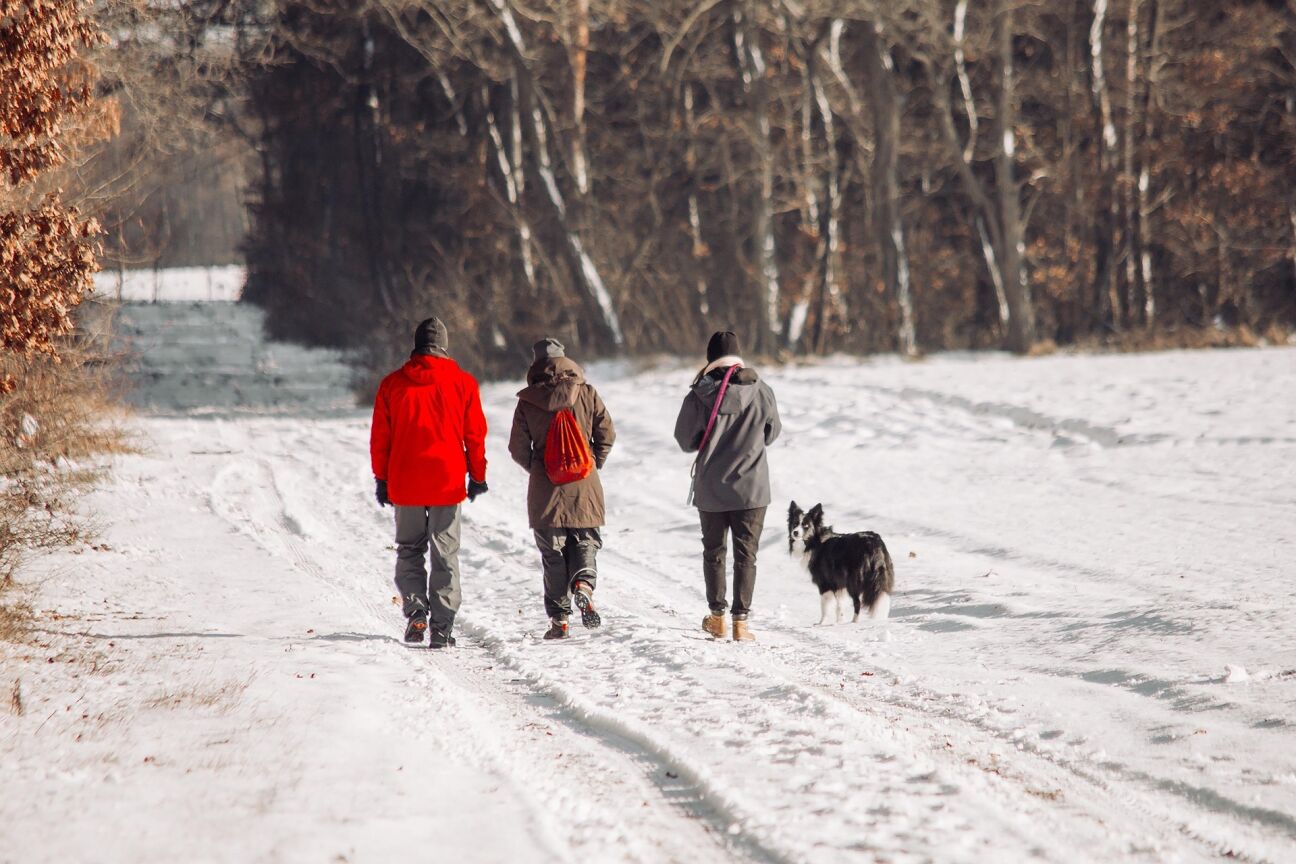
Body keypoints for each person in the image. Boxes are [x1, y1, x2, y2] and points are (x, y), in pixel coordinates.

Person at [370, 317, 488, 648]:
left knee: (410, 549)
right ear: (445, 346)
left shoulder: (392, 384)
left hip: (405, 481)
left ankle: (416, 610)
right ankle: (442, 626)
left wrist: (382, 478)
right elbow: (475, 436)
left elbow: (381, 438)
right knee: (445, 552)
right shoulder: (463, 383)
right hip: (447, 482)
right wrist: (477, 475)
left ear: (417, 345)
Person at [673, 330, 781, 642]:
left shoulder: (699, 394)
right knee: (747, 555)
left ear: (710, 359)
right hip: (753, 488)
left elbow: (685, 440)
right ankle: (741, 624)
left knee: (714, 552)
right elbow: (771, 434)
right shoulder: (763, 390)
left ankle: (717, 618)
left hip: (712, 488)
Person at [509, 338, 615, 640]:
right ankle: (583, 584)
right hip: (585, 484)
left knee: (553, 555)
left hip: (546, 489)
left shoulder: (528, 401)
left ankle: (560, 622)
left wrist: (539, 468)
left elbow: (517, 447)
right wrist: (593, 462)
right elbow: (607, 432)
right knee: (585, 541)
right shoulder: (587, 393)